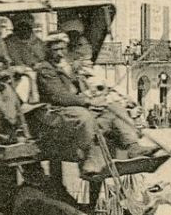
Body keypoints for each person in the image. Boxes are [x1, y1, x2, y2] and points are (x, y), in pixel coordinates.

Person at [34, 33, 161, 176]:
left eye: (62, 49)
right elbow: (59, 95)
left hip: (74, 106)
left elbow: (80, 87)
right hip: (57, 111)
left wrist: (93, 92)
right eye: (55, 49)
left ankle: (133, 146)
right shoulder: (45, 68)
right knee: (85, 117)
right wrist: (88, 101)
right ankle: (89, 159)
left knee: (114, 108)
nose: (59, 53)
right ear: (48, 50)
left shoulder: (66, 66)